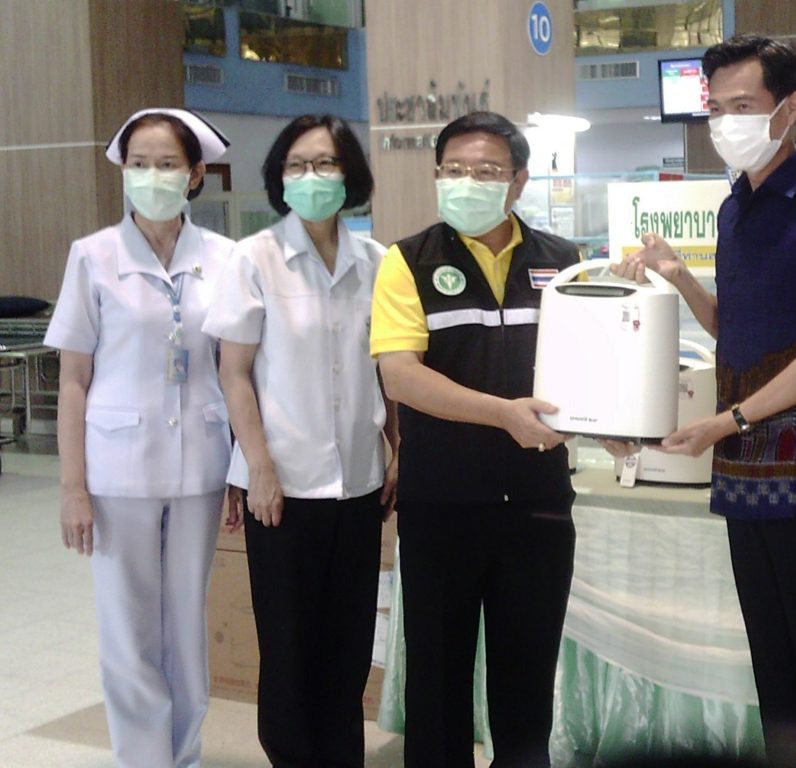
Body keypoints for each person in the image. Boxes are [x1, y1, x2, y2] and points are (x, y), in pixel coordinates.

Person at [607, 35, 796, 768]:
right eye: (716, 109)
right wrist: (678, 276)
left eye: (742, 106)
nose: (725, 123)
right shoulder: (735, 208)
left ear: (789, 107)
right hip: (745, 471)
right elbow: (737, 330)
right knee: (773, 660)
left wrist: (725, 422)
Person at [370, 110, 578, 768]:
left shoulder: (562, 262)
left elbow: (586, 364)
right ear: (436, 175)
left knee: (526, 686)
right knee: (437, 684)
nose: (467, 182)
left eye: (486, 171)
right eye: (454, 170)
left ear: (518, 181)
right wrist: (504, 415)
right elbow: (401, 377)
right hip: (442, 505)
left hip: (539, 503)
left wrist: (613, 424)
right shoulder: (408, 261)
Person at [202, 114, 398, 768]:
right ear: (280, 177)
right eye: (297, 165)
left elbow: (387, 368)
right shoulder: (253, 258)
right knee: (289, 648)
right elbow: (234, 373)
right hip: (283, 487)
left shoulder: (378, 263)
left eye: (325, 163)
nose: (311, 176)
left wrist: (396, 447)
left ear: (350, 175)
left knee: (349, 644)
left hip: (359, 481)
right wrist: (257, 467)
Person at [46, 108, 235, 768]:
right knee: (128, 631)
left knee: (186, 626)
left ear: (195, 174)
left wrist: (242, 468)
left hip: (201, 466)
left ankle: (183, 756)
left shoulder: (225, 259)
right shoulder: (92, 256)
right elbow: (74, 379)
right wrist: (72, 487)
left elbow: (238, 372)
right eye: (139, 164)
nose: (152, 176)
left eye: (166, 164)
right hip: (116, 471)